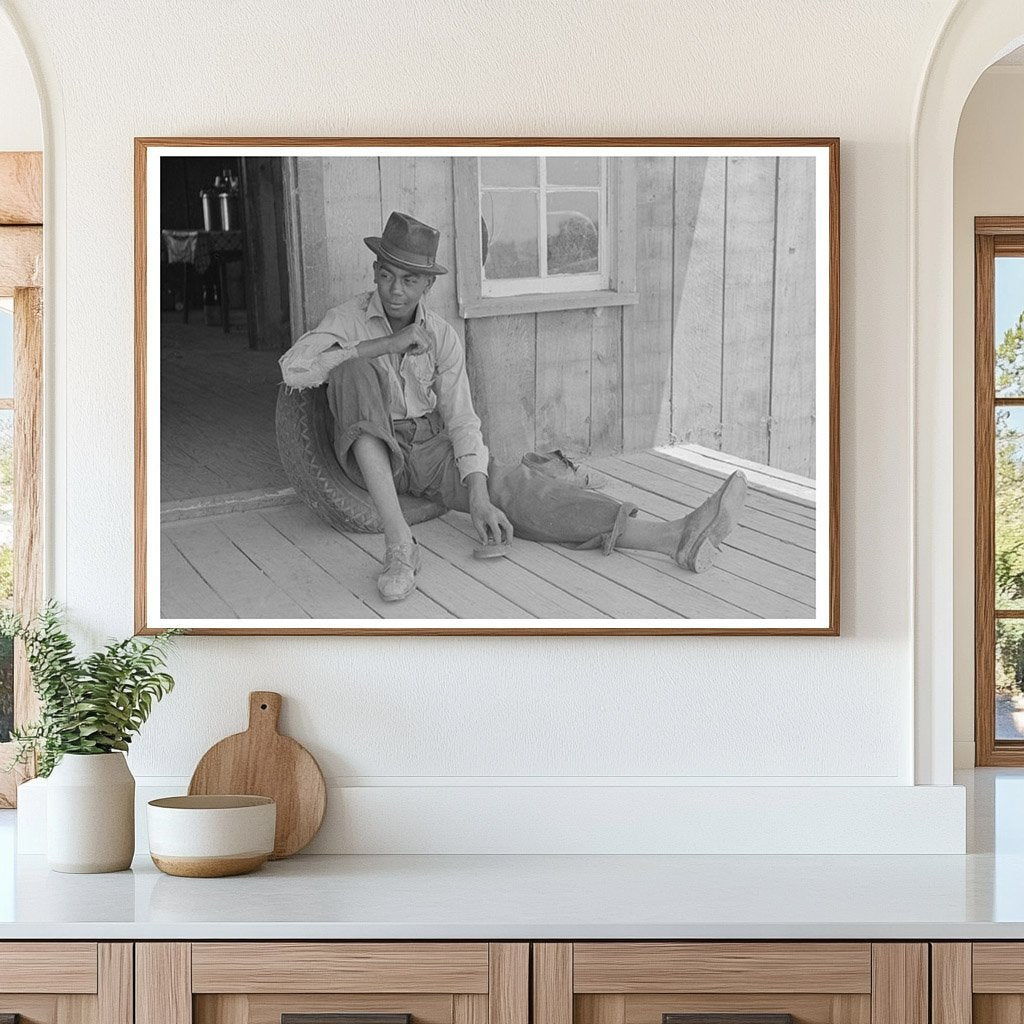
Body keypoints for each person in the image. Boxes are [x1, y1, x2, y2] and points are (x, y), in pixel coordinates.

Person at [280, 211, 748, 603]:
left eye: (409, 280)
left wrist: (479, 496)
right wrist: (384, 344)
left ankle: (673, 537)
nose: (395, 290)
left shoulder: (442, 335)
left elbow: (462, 419)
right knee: (353, 370)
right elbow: (294, 371)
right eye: (386, 276)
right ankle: (400, 545)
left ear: (427, 286)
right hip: (371, 450)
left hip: (428, 450)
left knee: (520, 490)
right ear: (375, 273)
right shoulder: (348, 318)